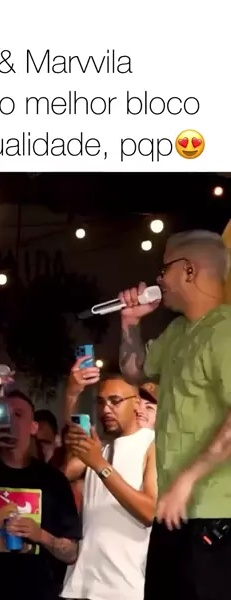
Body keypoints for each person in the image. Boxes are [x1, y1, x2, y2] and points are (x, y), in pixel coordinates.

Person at [118, 230, 231, 600]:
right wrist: (130, 323)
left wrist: (187, 480)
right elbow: (134, 371)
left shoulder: (226, 332)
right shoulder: (178, 332)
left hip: (217, 516)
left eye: (164, 269)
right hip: (172, 514)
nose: (159, 279)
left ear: (189, 270)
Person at [0, 390, 81, 600]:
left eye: (18, 414)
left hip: (37, 592)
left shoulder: (53, 480)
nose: (10, 421)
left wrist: (40, 535)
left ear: (33, 427)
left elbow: (71, 553)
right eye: (4, 414)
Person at [60, 369, 156, 600]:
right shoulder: (101, 447)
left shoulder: (152, 444)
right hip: (81, 585)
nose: (105, 409)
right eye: (101, 402)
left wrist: (100, 465)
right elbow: (66, 473)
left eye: (115, 401)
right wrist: (72, 395)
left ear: (137, 403)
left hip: (123, 589)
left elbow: (150, 512)